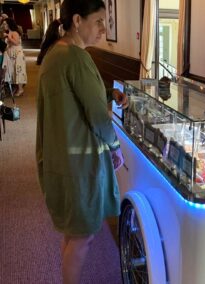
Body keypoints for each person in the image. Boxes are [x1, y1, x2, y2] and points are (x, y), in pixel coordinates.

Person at [35, 0, 128, 283]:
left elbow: (74, 98)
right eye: (98, 21)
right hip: (78, 163)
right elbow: (99, 118)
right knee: (83, 238)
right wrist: (115, 147)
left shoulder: (56, 52)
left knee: (74, 233)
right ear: (77, 20)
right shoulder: (76, 57)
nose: (103, 28)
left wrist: (109, 94)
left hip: (60, 156)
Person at [2, 18, 27, 96]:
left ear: (9, 24)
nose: (4, 25)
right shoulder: (9, 32)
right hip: (11, 54)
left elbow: (16, 43)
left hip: (17, 54)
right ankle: (16, 88)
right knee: (13, 72)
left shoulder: (14, 32)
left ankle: (21, 89)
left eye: (5, 24)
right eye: (3, 24)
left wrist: (8, 37)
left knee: (19, 71)